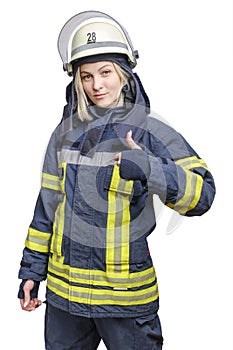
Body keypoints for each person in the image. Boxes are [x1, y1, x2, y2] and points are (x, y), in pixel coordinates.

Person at [17, 10, 216, 350]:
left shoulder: (152, 130)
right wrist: (33, 270)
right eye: (86, 75)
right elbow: (46, 209)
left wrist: (150, 168)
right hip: (65, 302)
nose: (96, 85)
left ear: (123, 74)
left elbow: (202, 195)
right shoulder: (63, 135)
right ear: (75, 80)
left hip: (125, 301)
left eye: (105, 72)